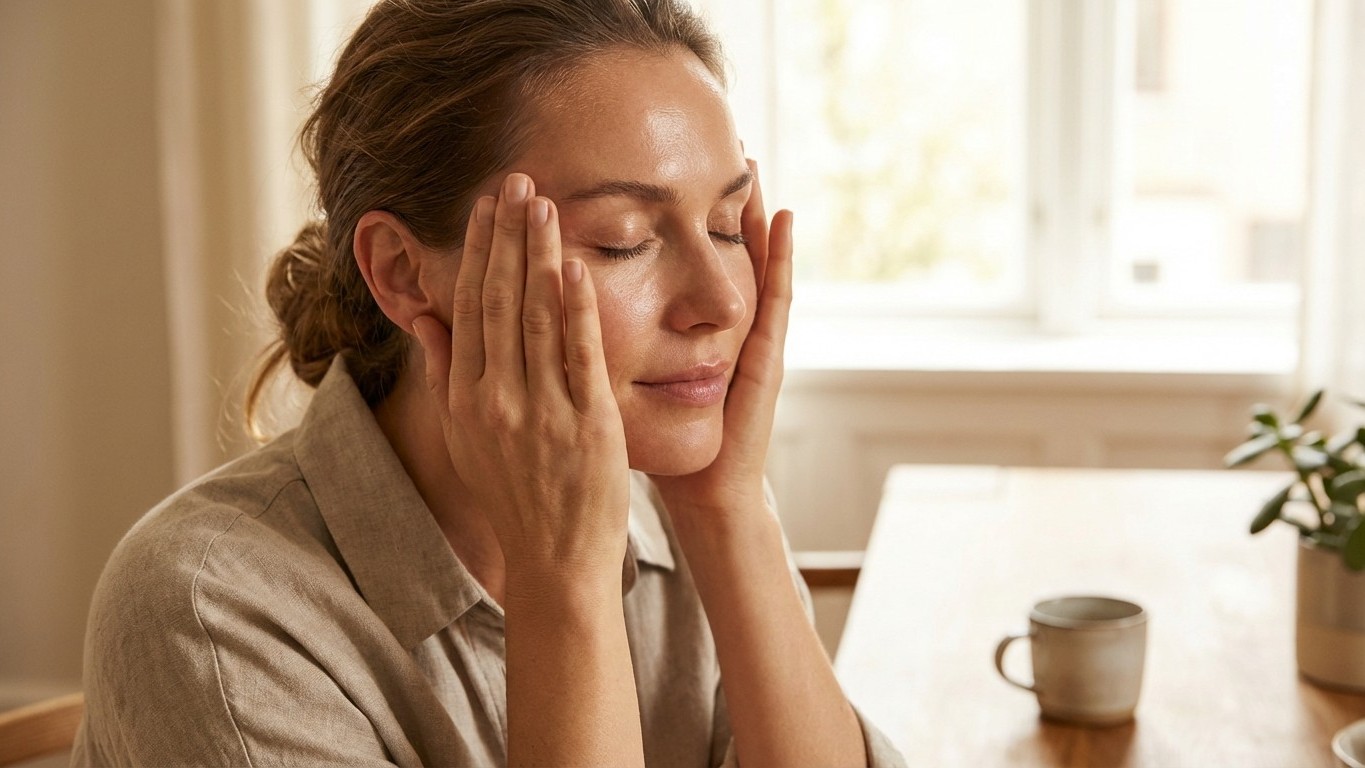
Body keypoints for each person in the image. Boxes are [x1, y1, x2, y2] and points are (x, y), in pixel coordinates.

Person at [73, 1, 905, 765]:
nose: (721, 300)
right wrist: (563, 582)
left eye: (727, 225)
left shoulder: (672, 507)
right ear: (402, 273)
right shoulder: (208, 611)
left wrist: (729, 516)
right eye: (619, 241)